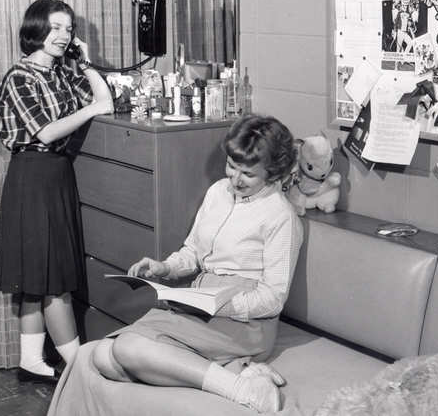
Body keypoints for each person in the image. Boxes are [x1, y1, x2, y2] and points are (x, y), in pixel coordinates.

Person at [91, 115, 303, 413]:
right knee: (103, 357)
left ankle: (241, 390)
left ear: (272, 172)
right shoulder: (218, 192)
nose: (235, 179)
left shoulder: (281, 216)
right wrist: (164, 267)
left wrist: (220, 304)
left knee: (126, 348)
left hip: (245, 321)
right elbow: (193, 252)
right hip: (199, 305)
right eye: (231, 165)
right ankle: (235, 372)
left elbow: (274, 299)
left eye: (248, 174)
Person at [0, 0, 114, 383]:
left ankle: (31, 362)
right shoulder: (20, 76)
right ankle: (80, 370)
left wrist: (87, 59)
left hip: (57, 174)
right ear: (36, 29)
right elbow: (46, 131)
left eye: (69, 28)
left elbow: (105, 102)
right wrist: (91, 109)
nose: (64, 36)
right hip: (32, 174)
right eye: (55, 27)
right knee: (51, 282)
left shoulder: (61, 72)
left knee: (39, 277)